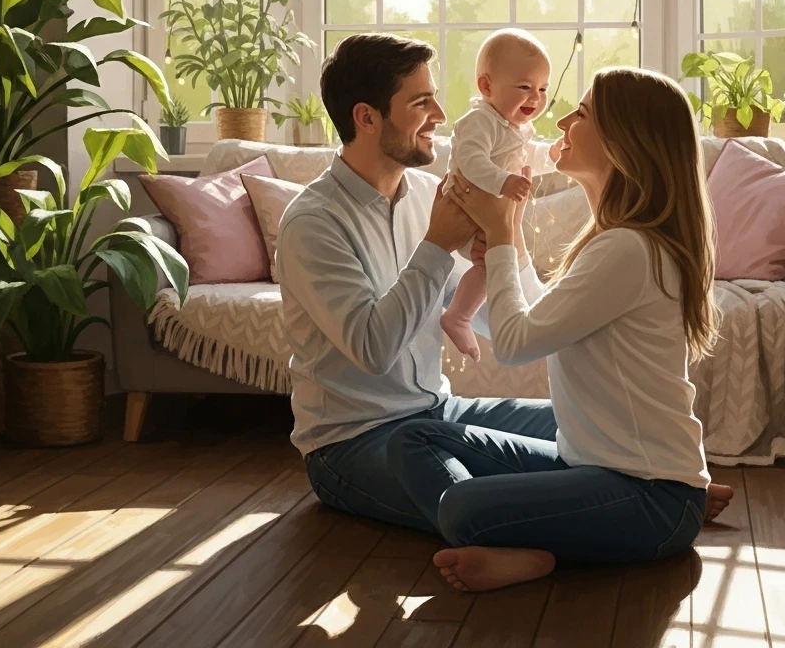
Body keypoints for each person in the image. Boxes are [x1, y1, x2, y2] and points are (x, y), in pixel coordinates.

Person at [385, 66, 731, 592]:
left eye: (584, 113)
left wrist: (501, 237)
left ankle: (540, 552)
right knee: (414, 438)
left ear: (625, 142)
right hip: (593, 465)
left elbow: (521, 344)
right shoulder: (615, 241)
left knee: (457, 507)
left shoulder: (629, 249)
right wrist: (508, 243)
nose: (564, 118)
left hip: (648, 492)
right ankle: (552, 533)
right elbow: (532, 321)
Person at [274, 32, 559, 533]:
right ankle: (612, 501)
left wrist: (503, 239)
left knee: (580, 423)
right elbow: (373, 348)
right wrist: (436, 244)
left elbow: (503, 321)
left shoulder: (430, 191)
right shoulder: (312, 223)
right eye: (421, 101)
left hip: (437, 413)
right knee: (470, 492)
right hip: (352, 444)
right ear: (367, 117)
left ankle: (654, 482)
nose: (441, 116)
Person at [440, 29, 560, 362]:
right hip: (465, 212)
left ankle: (460, 315)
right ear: (486, 86)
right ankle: (459, 316)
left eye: (543, 88)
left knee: (490, 266)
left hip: (487, 215)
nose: (535, 97)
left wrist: (550, 155)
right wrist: (503, 181)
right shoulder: (479, 121)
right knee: (489, 264)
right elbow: (471, 160)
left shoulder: (517, 129)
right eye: (524, 87)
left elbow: (525, 158)